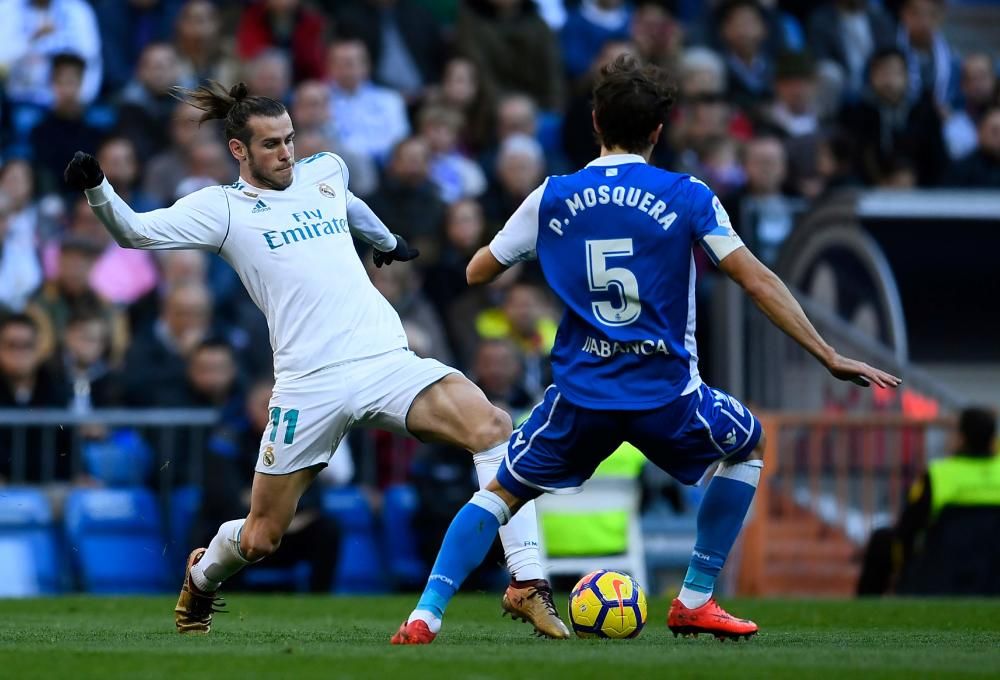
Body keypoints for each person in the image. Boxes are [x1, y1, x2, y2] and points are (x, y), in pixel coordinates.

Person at [391, 54, 900, 645]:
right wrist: (827, 354)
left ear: (595, 120)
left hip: (582, 394)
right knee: (749, 444)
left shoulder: (552, 196)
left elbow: (480, 271)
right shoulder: (688, 195)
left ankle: (426, 615)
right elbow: (754, 277)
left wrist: (541, 250)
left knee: (500, 492)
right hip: (667, 394)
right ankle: (694, 598)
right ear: (659, 131)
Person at [63, 80, 562, 639]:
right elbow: (135, 233)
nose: (286, 153)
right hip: (310, 384)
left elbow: (347, 204)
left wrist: (388, 241)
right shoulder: (222, 209)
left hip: (384, 359)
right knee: (261, 537)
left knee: (494, 427)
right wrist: (98, 189)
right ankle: (202, 577)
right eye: (272, 144)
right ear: (239, 151)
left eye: (289, 139)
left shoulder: (324, 170)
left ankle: (527, 581)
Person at [857, 407, 999, 595]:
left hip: (943, 575)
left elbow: (907, 529)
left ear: (961, 437)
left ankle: (869, 609)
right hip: (993, 576)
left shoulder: (939, 475)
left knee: (882, 539)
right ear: (992, 439)